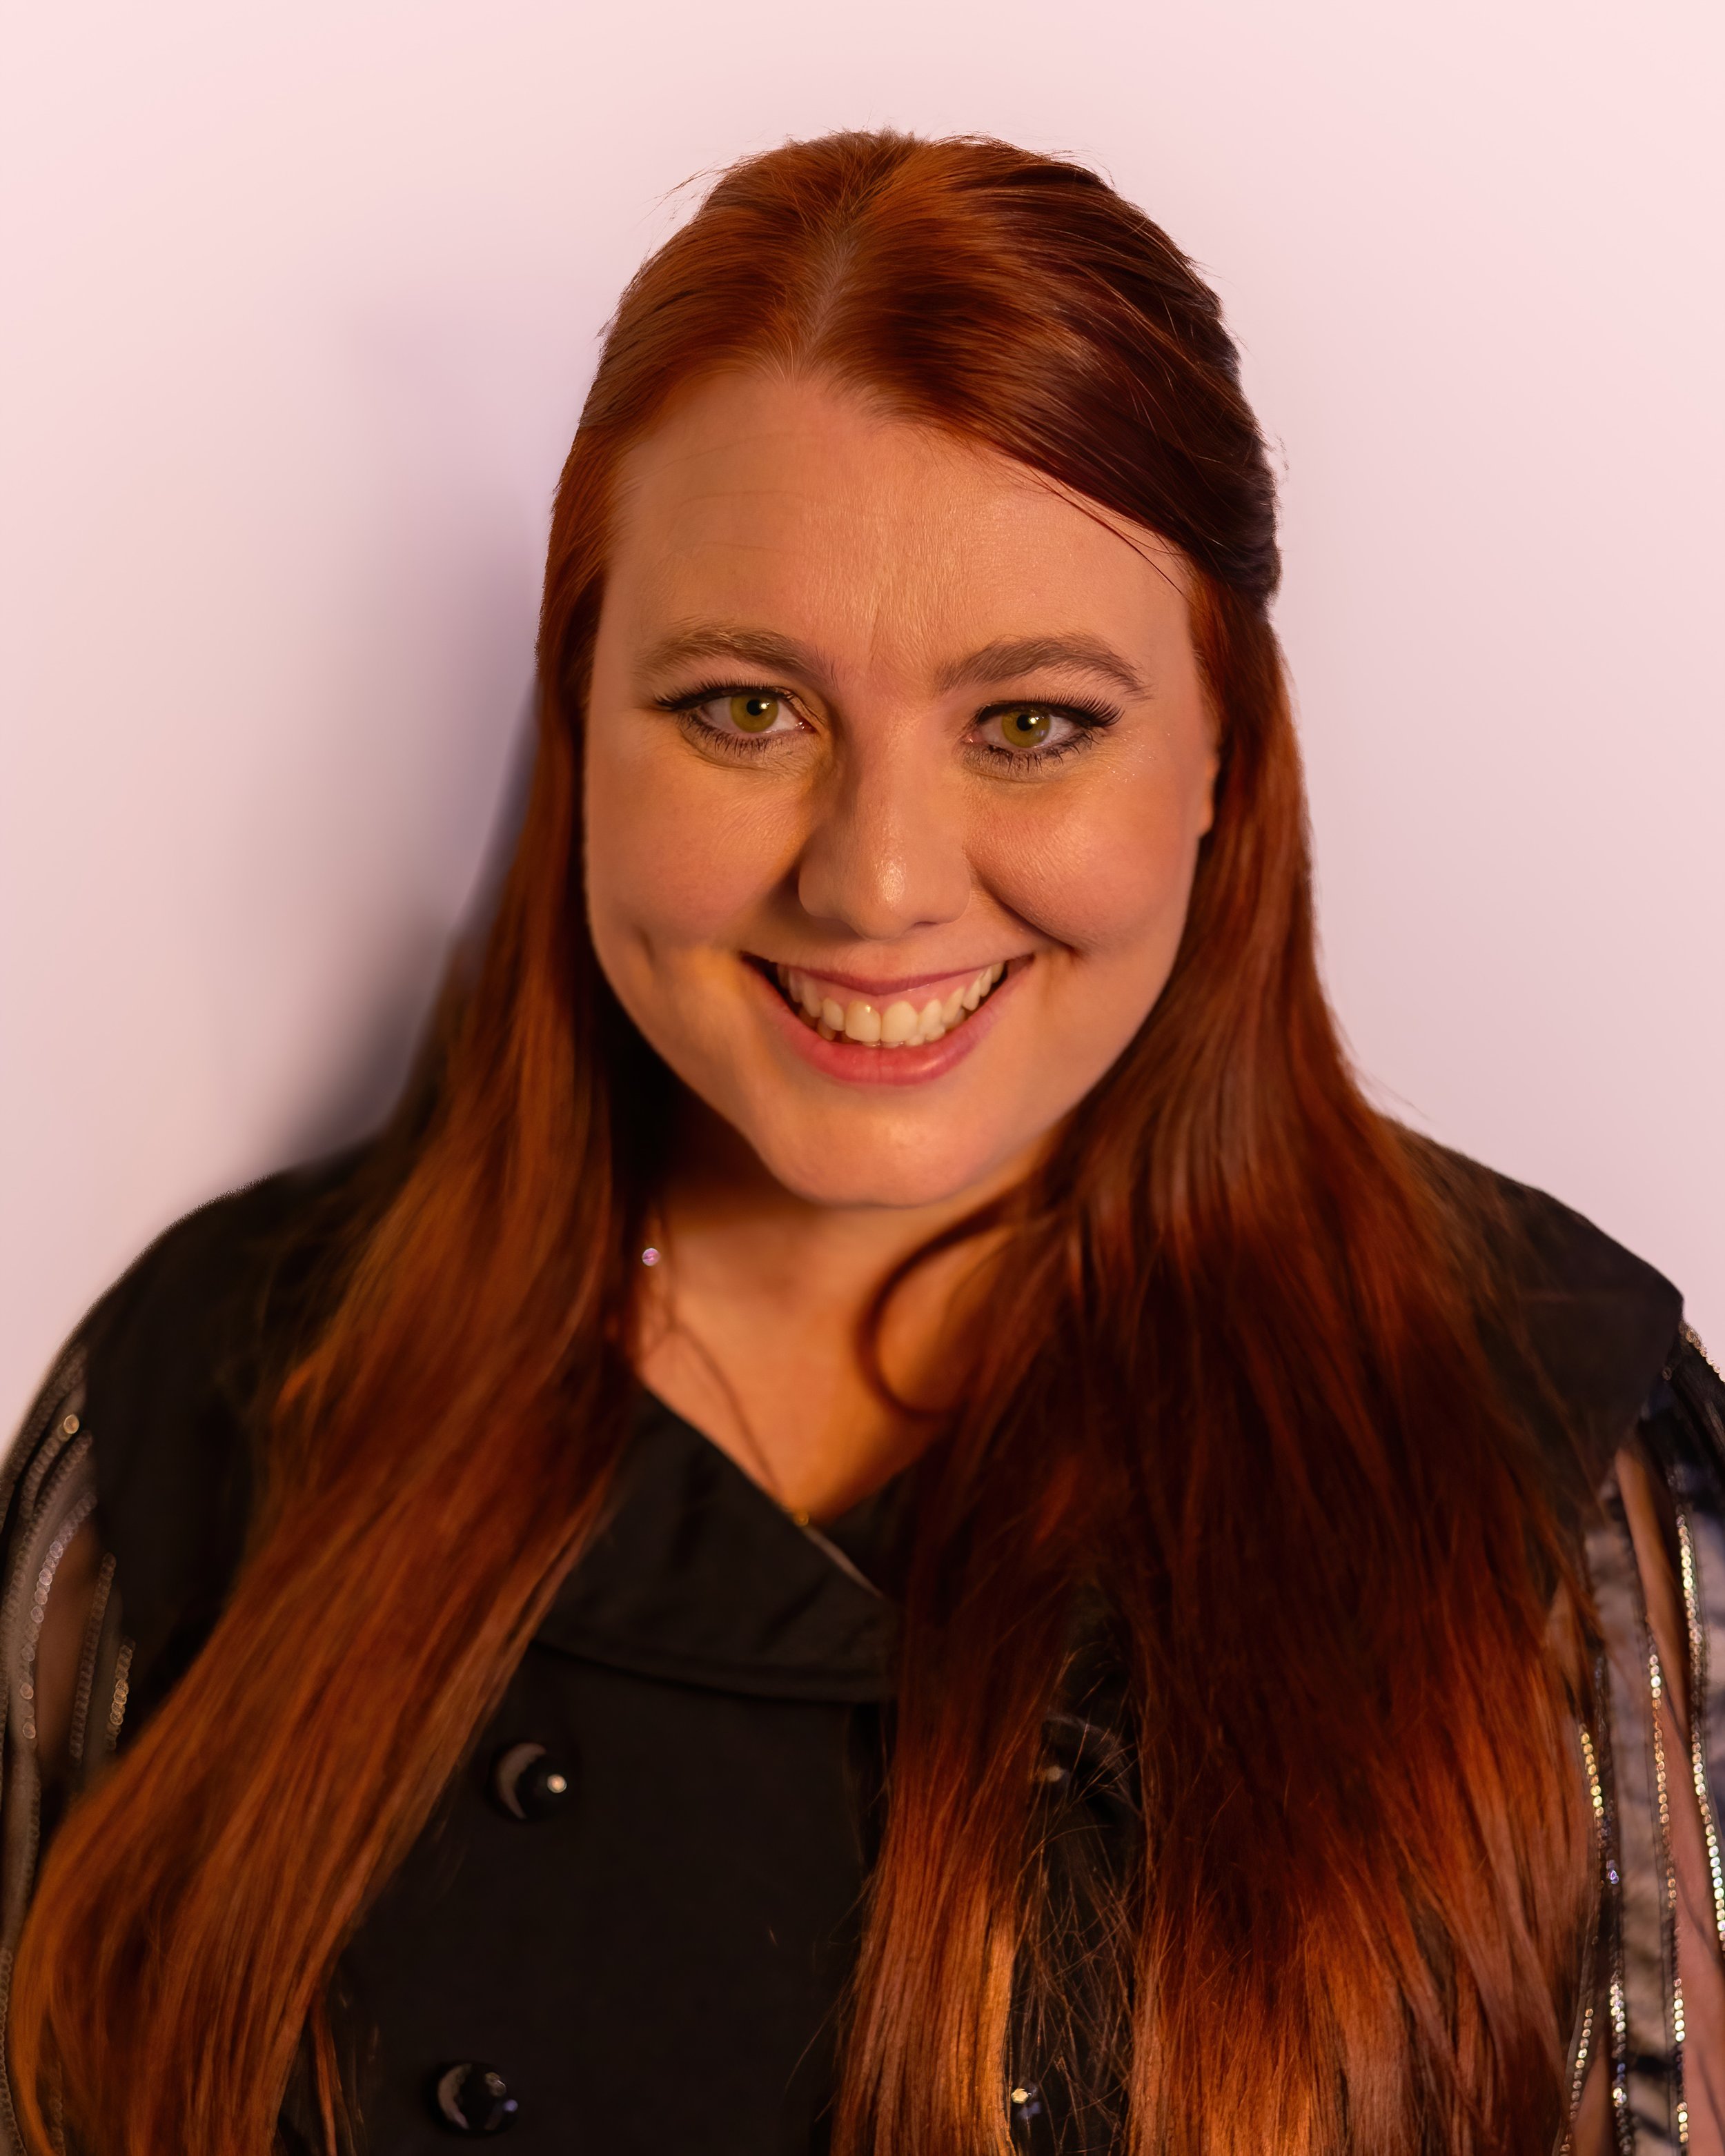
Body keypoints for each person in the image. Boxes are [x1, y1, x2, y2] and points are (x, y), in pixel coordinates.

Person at [1, 129, 1718, 2156]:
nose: (878, 881)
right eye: (744, 710)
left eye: (1030, 723)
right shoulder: (204, 1389)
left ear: (1221, 761)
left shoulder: (1526, 1417)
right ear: (578, 725)